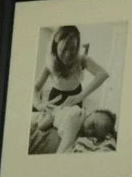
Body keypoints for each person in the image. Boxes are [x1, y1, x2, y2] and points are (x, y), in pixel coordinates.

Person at [28, 24, 109, 153]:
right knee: (51, 128)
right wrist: (38, 104)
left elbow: (103, 74)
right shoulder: (49, 63)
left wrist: (80, 96)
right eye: (64, 48)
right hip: (56, 98)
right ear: (55, 45)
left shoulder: (82, 59)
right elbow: (35, 87)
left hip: (76, 97)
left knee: (73, 129)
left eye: (73, 49)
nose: (68, 54)